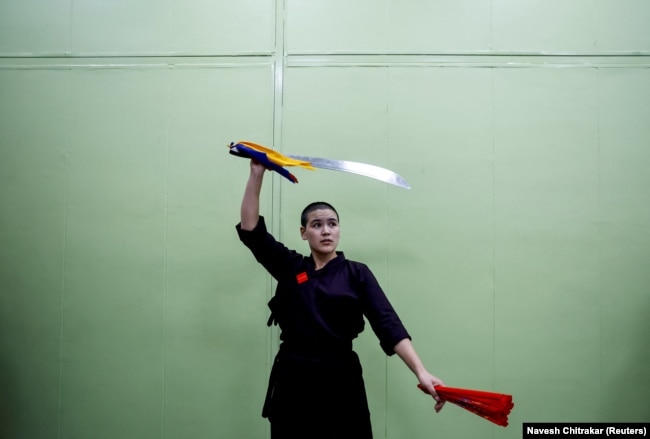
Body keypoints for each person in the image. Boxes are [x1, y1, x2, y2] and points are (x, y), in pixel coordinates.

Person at [236, 160, 445, 438]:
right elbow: (251, 232)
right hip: (293, 378)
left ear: (339, 229)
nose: (325, 231)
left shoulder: (356, 274)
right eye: (317, 224)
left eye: (332, 224)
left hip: (340, 378)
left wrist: (421, 371)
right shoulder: (291, 268)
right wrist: (256, 173)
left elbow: (388, 324)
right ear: (304, 232)